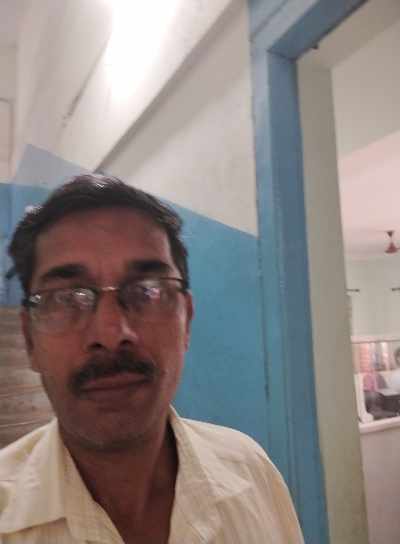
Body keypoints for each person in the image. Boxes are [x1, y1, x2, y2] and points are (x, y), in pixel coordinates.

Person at [0, 174, 304, 543]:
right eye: (66, 298)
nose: (111, 334)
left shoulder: (252, 473)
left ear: (186, 320)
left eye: (148, 291)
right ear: (29, 339)